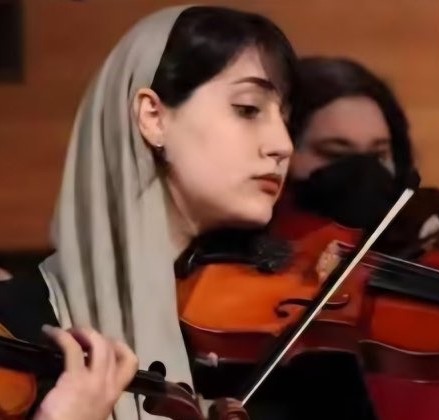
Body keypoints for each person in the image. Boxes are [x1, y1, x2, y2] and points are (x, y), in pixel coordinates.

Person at [0, 5, 298, 420]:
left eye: (285, 118)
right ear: (153, 117)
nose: (283, 145)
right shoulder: (15, 323)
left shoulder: (280, 352)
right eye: (248, 109)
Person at [271, 56, 439, 420]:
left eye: (378, 154)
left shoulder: (435, 226)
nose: (364, 173)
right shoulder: (267, 249)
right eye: (335, 154)